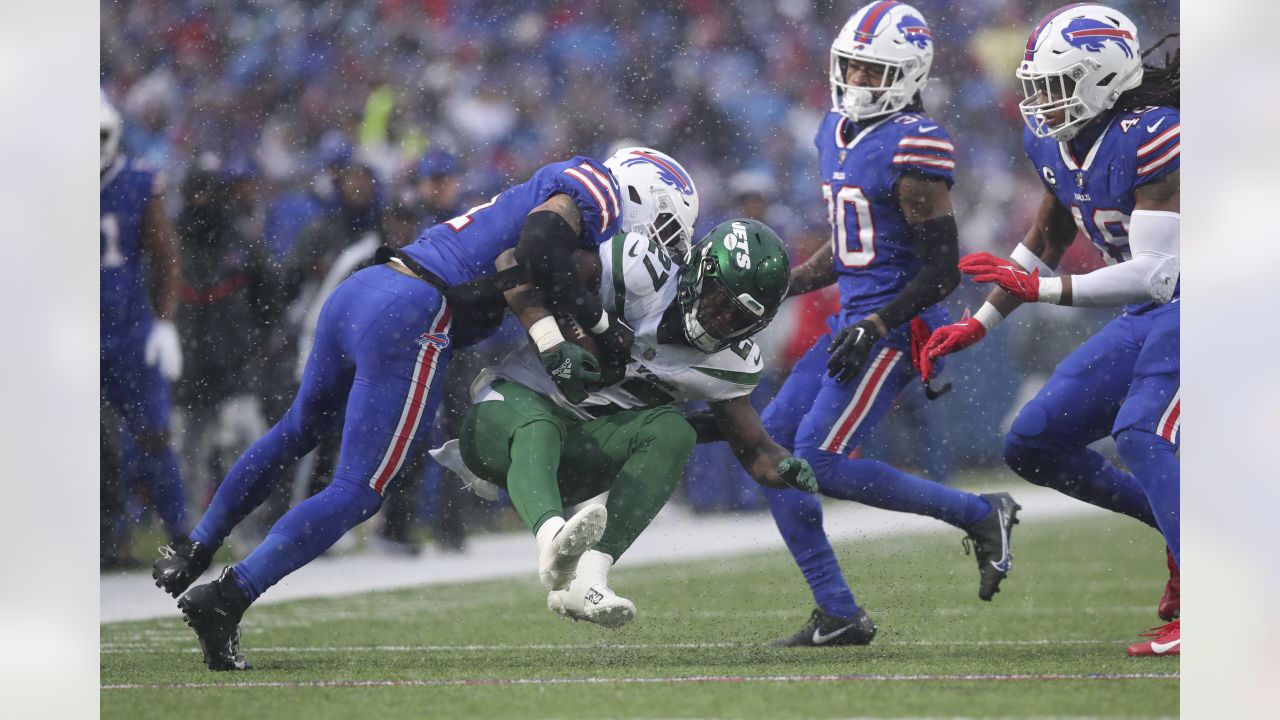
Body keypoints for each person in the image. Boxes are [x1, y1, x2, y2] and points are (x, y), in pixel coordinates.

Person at [152, 145, 699, 671]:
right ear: (646, 192)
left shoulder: (560, 210)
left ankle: (197, 545)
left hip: (369, 289)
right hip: (414, 312)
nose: (659, 241)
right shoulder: (595, 189)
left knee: (298, 429)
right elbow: (537, 245)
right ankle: (229, 595)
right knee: (357, 490)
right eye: (669, 225)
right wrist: (601, 325)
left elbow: (519, 268)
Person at [760, 2, 1022, 648]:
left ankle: (978, 512)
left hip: (902, 328)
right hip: (857, 323)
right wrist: (786, 283)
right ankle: (838, 611)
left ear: (906, 76)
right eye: (850, 66)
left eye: (872, 71)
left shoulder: (914, 142)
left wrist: (876, 324)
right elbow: (854, 244)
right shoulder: (833, 130)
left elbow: (941, 271)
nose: (855, 80)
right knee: (766, 450)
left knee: (818, 459)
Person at [923, 4, 1180, 657]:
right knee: (1034, 443)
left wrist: (1037, 290)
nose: (1040, 101)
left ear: (1104, 77)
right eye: (1035, 84)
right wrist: (978, 323)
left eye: (1056, 84)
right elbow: (1049, 234)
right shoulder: (1056, 141)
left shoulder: (1156, 135)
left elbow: (1154, 274)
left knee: (1142, 432)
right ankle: (1195, 534)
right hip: (1159, 311)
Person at [433, 219, 817, 628]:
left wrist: (785, 468)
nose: (719, 320)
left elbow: (755, 451)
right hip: (503, 420)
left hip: (577, 457)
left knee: (673, 430)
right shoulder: (638, 269)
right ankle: (551, 542)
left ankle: (588, 578)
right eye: (718, 300)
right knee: (539, 426)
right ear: (698, 269)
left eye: (737, 318)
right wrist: (552, 342)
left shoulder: (729, 364)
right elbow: (517, 262)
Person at [99, 94, 190, 550]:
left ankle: (181, 534)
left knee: (154, 434)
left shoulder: (137, 181)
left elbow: (166, 256)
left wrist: (165, 322)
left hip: (129, 329)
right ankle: (107, 539)